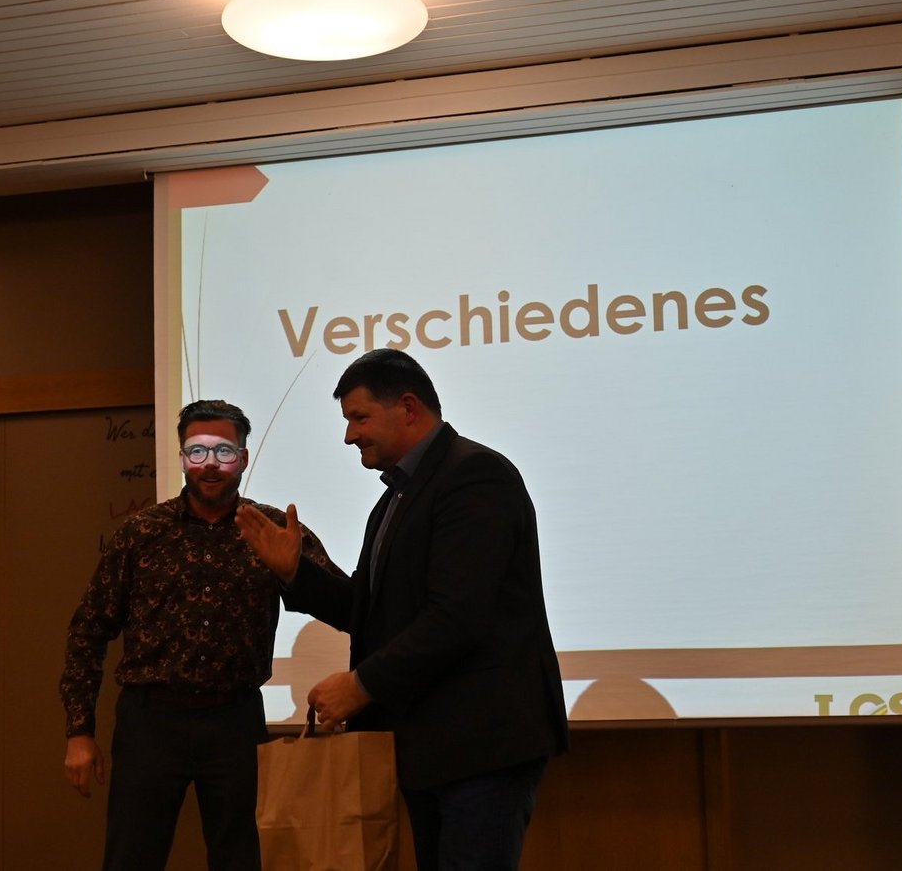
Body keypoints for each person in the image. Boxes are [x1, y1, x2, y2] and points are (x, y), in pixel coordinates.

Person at [236, 348, 570, 871]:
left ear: (409, 408)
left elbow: (457, 617)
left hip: (481, 745)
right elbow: (371, 612)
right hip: (429, 745)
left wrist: (361, 685)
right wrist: (295, 573)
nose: (350, 436)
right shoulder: (395, 498)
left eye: (359, 418)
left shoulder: (477, 476)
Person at [59, 398, 338, 871]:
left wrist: (294, 574)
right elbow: (88, 630)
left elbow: (344, 603)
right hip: (150, 721)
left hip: (235, 721)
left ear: (243, 458)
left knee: (242, 859)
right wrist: (79, 731)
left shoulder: (271, 530)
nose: (211, 463)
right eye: (198, 451)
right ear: (183, 457)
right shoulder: (141, 533)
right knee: (131, 858)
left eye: (224, 451)